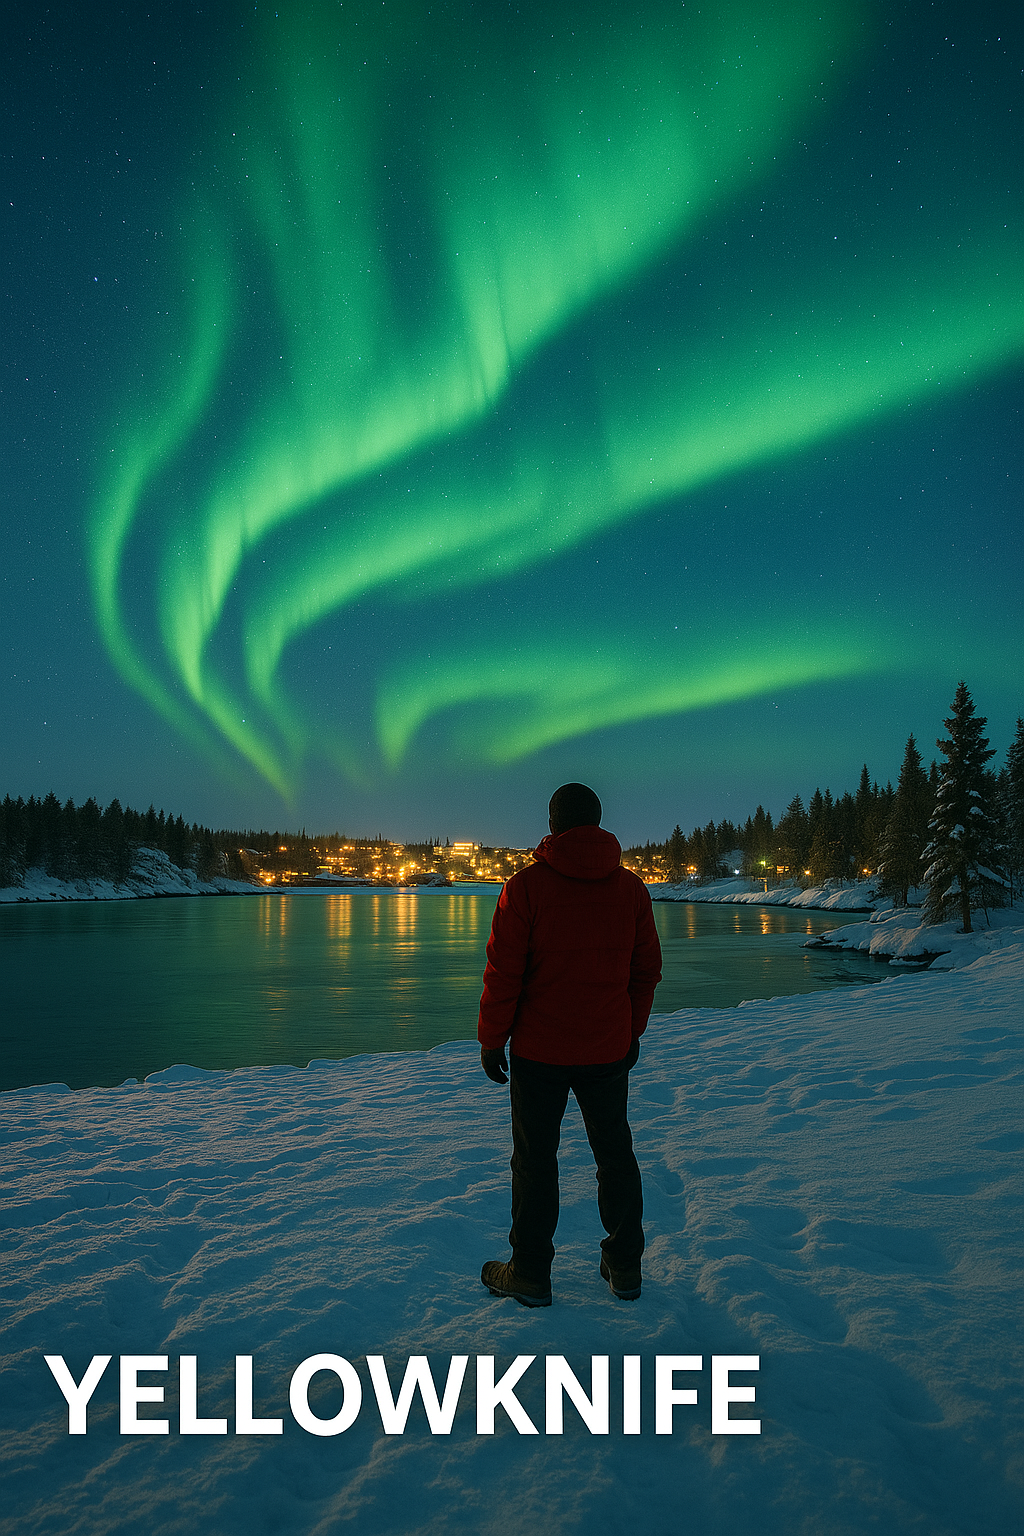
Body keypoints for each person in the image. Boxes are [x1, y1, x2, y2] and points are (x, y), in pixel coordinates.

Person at [477, 782, 663, 1306]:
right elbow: (646, 972)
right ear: (599, 823)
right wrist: (631, 1031)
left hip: (540, 1052)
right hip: (607, 1048)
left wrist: (492, 1041)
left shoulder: (527, 888)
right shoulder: (631, 890)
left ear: (553, 823)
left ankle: (531, 1272)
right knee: (615, 1154)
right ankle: (625, 1266)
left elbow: (503, 974)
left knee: (536, 1162)